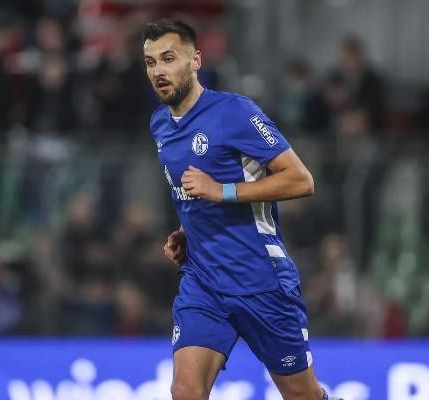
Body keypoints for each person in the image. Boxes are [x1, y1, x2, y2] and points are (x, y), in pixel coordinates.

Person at [144, 20, 337, 400]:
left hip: (260, 280)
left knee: (302, 395)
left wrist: (223, 191)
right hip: (203, 281)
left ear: (195, 60)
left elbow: (301, 180)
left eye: (168, 58)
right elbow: (193, 194)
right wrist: (188, 232)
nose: (158, 71)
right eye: (151, 62)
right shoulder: (160, 124)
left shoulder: (233, 112)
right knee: (185, 391)